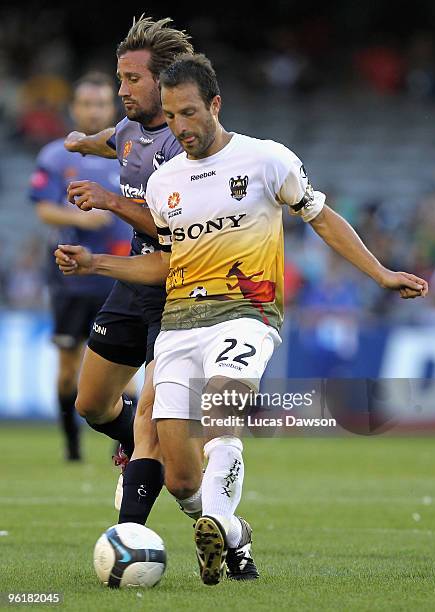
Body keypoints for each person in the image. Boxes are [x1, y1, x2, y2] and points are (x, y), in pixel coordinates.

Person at [55, 54, 429, 585]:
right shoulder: (165, 183)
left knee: (224, 399)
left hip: (247, 315)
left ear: (215, 104)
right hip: (180, 321)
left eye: (190, 113)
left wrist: (380, 273)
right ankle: (229, 532)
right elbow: (166, 260)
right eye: (172, 116)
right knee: (182, 477)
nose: (181, 127)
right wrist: (97, 263)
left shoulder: (266, 159)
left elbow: (320, 217)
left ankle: (218, 519)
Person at [62, 16, 193, 523]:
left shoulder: (183, 146)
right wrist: (79, 141)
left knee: (151, 423)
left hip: (176, 287)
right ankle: (137, 450)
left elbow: (171, 230)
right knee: (91, 403)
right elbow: (111, 141)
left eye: (132, 79)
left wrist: (109, 200)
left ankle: (128, 537)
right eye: (119, 79)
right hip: (132, 279)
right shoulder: (131, 129)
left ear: (164, 82)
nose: (122, 90)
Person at [30, 72, 132, 461]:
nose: (94, 111)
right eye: (87, 104)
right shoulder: (56, 156)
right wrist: (83, 218)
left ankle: (124, 445)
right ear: (75, 109)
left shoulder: (130, 151)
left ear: (113, 108)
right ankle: (72, 447)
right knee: (69, 366)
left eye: (102, 104)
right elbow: (42, 208)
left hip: (118, 272)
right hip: (69, 277)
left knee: (122, 367)